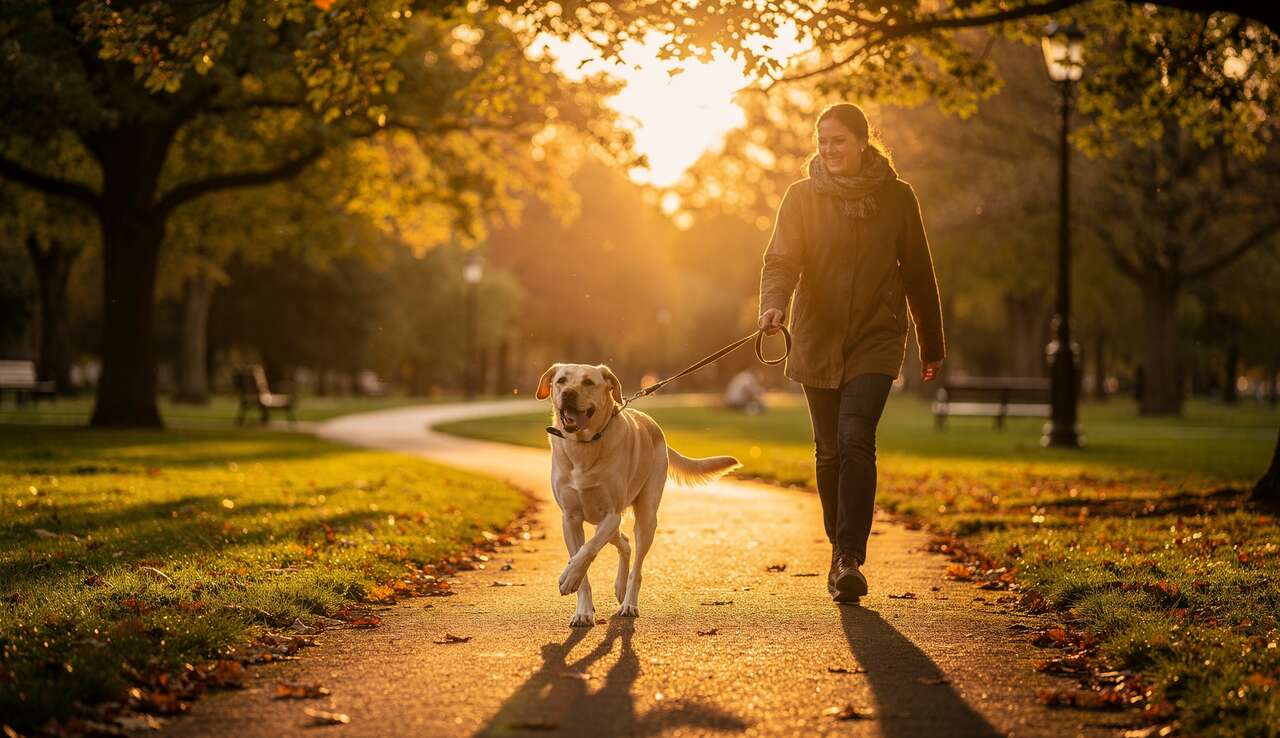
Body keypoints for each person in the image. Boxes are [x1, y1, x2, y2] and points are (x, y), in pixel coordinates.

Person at [757, 103, 945, 604]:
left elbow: (919, 271)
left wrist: (931, 343)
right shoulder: (801, 197)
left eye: (838, 140)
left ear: (864, 142)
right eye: (822, 141)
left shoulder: (898, 197)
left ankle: (848, 558)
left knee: (856, 437)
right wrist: (773, 307)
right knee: (829, 451)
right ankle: (838, 546)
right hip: (817, 335)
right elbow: (781, 260)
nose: (829, 149)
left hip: (876, 337)